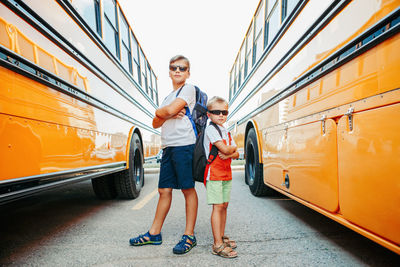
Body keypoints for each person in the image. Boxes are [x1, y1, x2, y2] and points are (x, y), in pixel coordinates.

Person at [129, 55, 198, 255]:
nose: (178, 70)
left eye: (182, 68)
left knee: (187, 190)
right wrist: (165, 112)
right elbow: (155, 122)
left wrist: (164, 112)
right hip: (168, 147)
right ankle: (154, 233)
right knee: (163, 191)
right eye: (174, 67)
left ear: (188, 73)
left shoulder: (188, 89)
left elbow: (167, 111)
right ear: (169, 71)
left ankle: (189, 236)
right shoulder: (168, 96)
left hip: (184, 145)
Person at [203, 96, 239, 258]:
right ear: (208, 114)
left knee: (224, 206)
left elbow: (236, 154)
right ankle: (217, 244)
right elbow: (225, 150)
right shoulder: (211, 129)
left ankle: (221, 236)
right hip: (214, 174)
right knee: (217, 207)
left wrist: (230, 151)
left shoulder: (226, 130)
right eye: (216, 112)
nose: (221, 115)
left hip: (226, 174)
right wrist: (231, 150)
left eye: (224, 112)